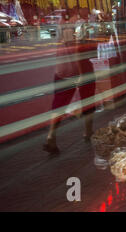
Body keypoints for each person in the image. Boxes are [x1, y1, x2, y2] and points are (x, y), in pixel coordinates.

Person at [43, 9, 95, 154]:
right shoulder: (80, 23)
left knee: (59, 103)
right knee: (88, 99)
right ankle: (88, 131)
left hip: (61, 68)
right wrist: (80, 74)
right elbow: (79, 48)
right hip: (81, 68)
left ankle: (51, 136)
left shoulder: (61, 22)